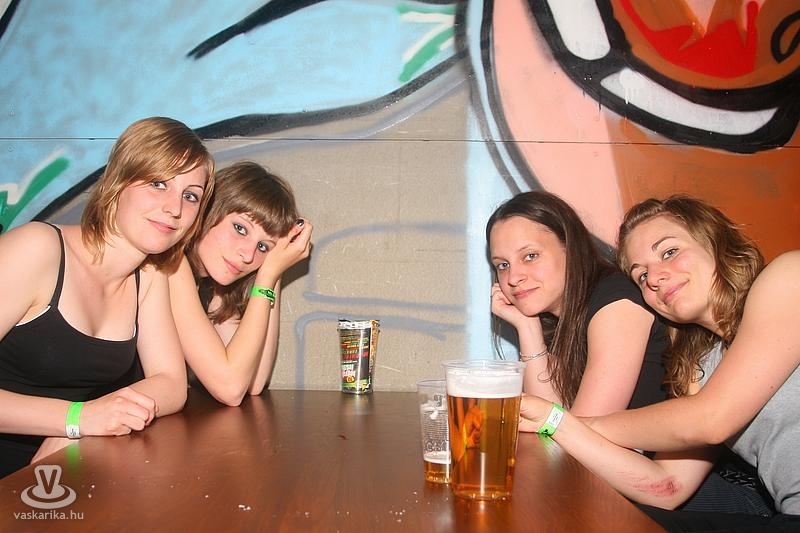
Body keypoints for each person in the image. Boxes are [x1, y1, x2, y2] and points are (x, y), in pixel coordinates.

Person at [518, 195, 800, 531]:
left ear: (714, 240)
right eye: (641, 275)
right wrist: (557, 425)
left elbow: (712, 419)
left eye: (669, 252)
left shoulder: (788, 277)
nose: (654, 278)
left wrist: (564, 422)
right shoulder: (700, 370)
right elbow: (666, 486)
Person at [0, 116, 215, 478]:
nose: (174, 208)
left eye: (190, 195)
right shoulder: (37, 249)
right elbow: (86, 416)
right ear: (119, 181)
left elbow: (171, 383)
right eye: (158, 183)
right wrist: (76, 419)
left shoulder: (148, 275)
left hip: (60, 474)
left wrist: (90, 420)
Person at [486, 191, 667, 415]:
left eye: (530, 256)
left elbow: (581, 428)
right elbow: (550, 424)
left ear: (570, 248)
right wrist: (527, 327)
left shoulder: (617, 301)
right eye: (503, 265)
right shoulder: (558, 321)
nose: (513, 278)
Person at [166, 161, 312, 406]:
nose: (247, 255)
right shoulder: (172, 265)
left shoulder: (212, 286)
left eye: (262, 246)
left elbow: (253, 381)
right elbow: (231, 388)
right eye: (240, 229)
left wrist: (272, 269)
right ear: (209, 211)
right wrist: (267, 277)